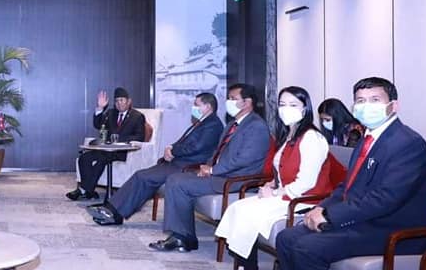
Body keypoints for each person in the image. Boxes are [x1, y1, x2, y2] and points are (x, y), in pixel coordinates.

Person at [275, 77, 426, 270]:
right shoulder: (368, 139)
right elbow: (347, 187)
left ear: (393, 105)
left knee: (307, 248)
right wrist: (319, 208)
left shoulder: (407, 143)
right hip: (366, 220)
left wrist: (331, 216)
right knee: (288, 237)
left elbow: (386, 199)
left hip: (394, 230)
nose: (366, 106)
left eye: (375, 100)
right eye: (360, 101)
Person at [215, 86, 334, 270]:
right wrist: (271, 184)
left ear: (305, 108)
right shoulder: (290, 135)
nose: (286, 109)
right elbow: (282, 170)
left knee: (248, 212)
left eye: (293, 105)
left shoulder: (312, 138)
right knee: (237, 207)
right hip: (286, 193)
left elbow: (306, 182)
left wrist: (275, 192)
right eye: (282, 104)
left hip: (305, 199)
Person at [148, 83, 272, 252]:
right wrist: (207, 165)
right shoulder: (232, 124)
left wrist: (213, 170)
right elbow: (218, 151)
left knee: (178, 183)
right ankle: (182, 236)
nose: (228, 102)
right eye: (228, 98)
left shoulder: (256, 126)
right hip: (221, 174)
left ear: (247, 102)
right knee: (175, 179)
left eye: (233, 98)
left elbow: (243, 160)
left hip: (236, 179)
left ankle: (182, 238)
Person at [91, 93, 223, 225]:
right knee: (141, 175)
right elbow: (184, 142)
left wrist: (173, 152)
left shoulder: (213, 125)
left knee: (143, 177)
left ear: (207, 107)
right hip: (178, 162)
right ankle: (113, 210)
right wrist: (171, 147)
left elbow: (196, 147)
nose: (193, 107)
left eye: (196, 105)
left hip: (188, 166)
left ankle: (114, 213)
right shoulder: (202, 123)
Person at [67, 87, 147, 201]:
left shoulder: (137, 116)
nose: (119, 103)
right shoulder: (111, 113)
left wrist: (119, 139)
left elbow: (140, 136)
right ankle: (88, 191)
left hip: (123, 152)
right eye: (117, 101)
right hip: (106, 149)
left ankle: (84, 190)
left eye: (122, 100)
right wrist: (100, 108)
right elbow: (98, 124)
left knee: (101, 161)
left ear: (129, 101)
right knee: (84, 158)